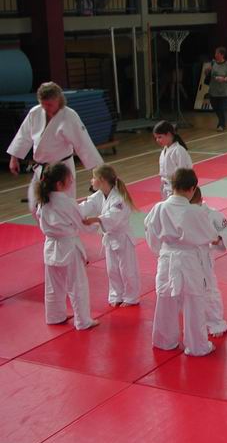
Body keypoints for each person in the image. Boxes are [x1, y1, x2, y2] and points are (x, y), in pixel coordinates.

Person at [145, 168, 218, 356]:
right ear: (192, 188)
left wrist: (161, 251)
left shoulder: (158, 208)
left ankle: (164, 341)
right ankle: (197, 346)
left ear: (173, 185)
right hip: (189, 260)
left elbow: (150, 233)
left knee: (165, 299)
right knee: (193, 301)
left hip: (166, 257)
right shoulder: (195, 212)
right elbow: (210, 236)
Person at [7, 82, 103, 211]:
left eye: (49, 105)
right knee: (36, 206)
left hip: (62, 170)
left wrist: (97, 171)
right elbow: (23, 136)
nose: (46, 108)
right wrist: (14, 158)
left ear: (59, 100)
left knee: (64, 207)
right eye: (43, 104)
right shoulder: (35, 112)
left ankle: (68, 224)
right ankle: (47, 225)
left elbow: (83, 143)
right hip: (41, 169)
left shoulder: (69, 115)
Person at [35, 163, 99, 331]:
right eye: (69, 179)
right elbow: (82, 224)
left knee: (53, 284)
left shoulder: (42, 201)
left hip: (50, 246)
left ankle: (55, 316)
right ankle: (83, 321)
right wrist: (98, 224)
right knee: (77, 284)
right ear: (59, 184)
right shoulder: (67, 203)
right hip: (68, 247)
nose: (72, 181)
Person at [79, 164, 141, 307]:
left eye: (93, 178)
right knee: (112, 269)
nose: (91, 181)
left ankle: (131, 297)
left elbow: (113, 217)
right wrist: (73, 212)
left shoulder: (119, 198)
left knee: (127, 270)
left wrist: (95, 219)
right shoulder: (99, 195)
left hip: (123, 238)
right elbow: (86, 205)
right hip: (110, 238)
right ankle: (116, 295)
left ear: (102, 180)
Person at [190, 187, 227, 337]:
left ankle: (216, 322)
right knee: (187, 290)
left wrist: (219, 238)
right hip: (186, 257)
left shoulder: (211, 213)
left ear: (201, 200)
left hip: (203, 256)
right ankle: (194, 321)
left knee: (209, 288)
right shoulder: (181, 211)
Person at [153, 120, 192, 199]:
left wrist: (179, 190)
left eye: (160, 137)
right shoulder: (165, 150)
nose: (157, 140)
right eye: (156, 138)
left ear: (168, 134)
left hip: (177, 189)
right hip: (166, 187)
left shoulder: (179, 150)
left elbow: (183, 173)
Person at [206, 47, 227, 131]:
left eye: (217, 53)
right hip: (214, 90)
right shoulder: (213, 63)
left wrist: (223, 79)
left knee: (222, 108)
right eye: (215, 53)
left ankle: (221, 125)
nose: (215, 54)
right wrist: (207, 71)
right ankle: (221, 122)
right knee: (215, 107)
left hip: (224, 91)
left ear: (222, 55)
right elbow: (208, 75)